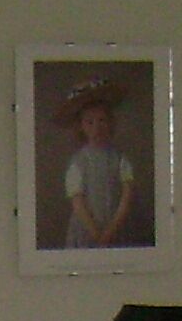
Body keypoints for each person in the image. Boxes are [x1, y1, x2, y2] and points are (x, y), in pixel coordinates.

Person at [57, 77, 140, 250]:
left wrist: (111, 229)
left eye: (102, 120)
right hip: (86, 229)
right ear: (81, 127)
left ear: (110, 122)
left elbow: (127, 196)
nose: (97, 127)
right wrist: (95, 233)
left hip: (115, 227)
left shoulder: (119, 159)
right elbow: (78, 202)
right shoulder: (79, 162)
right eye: (90, 122)